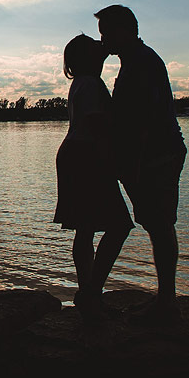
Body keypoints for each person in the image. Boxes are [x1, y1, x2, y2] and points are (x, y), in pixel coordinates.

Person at [95, 4, 188, 325]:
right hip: (152, 156)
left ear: (124, 30)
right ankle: (165, 299)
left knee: (160, 225)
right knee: (157, 224)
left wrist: (133, 165)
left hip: (156, 156)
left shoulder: (141, 63)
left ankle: (167, 302)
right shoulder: (135, 61)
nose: (103, 40)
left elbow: (143, 121)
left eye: (106, 33)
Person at [53, 34, 133, 320]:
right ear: (87, 57)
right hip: (86, 156)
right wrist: (114, 163)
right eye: (95, 47)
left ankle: (87, 290)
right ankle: (92, 291)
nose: (102, 48)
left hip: (74, 154)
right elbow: (97, 123)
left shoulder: (80, 83)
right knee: (119, 225)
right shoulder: (91, 83)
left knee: (85, 229)